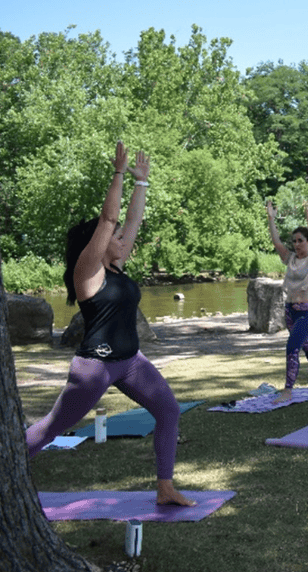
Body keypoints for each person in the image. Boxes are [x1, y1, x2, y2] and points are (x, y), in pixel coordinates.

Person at [26, 141, 195, 506]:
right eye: (115, 238)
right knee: (53, 427)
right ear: (99, 244)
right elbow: (110, 220)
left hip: (131, 362)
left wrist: (142, 183)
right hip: (95, 368)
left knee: (168, 411)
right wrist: (117, 174)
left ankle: (165, 488)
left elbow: (131, 220)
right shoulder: (88, 273)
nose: (122, 239)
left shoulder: (117, 265)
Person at [266, 198, 308, 404]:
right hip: (289, 311)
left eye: (300, 240)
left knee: (293, 346)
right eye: (294, 241)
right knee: (307, 344)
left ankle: (288, 390)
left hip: (307, 311)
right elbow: (276, 242)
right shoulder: (291, 258)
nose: (296, 244)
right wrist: (271, 218)